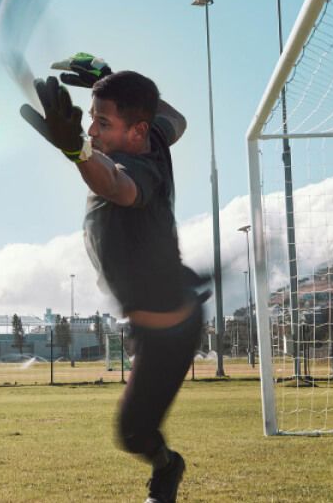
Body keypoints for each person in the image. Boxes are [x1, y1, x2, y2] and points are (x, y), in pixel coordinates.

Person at [20, 53, 204, 503]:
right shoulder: (154, 137)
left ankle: (168, 469)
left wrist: (77, 152)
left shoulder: (137, 168)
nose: (91, 130)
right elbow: (174, 118)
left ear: (135, 132)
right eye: (91, 121)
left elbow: (115, 185)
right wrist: (109, 79)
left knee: (132, 433)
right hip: (154, 320)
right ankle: (165, 464)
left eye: (101, 122)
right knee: (133, 430)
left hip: (171, 328)